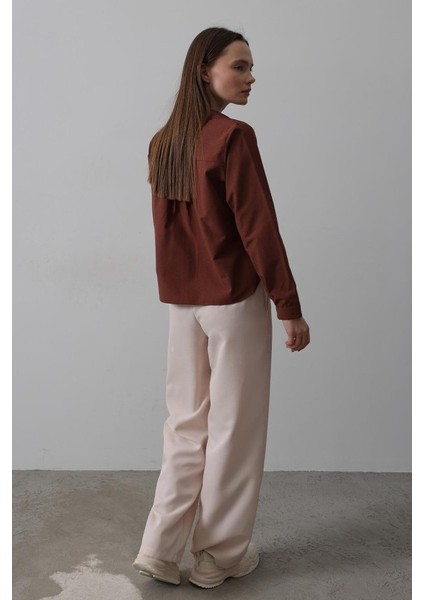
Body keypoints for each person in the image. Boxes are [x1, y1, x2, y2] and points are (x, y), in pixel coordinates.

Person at [132, 26, 310, 589]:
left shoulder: (163, 142)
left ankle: (159, 549)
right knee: (234, 426)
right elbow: (258, 227)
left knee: (185, 425)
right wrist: (288, 304)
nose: (251, 77)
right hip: (232, 301)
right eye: (240, 66)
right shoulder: (233, 137)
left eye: (249, 67)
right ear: (204, 70)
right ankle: (218, 555)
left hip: (182, 305)